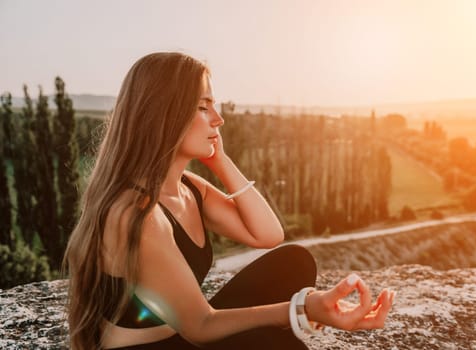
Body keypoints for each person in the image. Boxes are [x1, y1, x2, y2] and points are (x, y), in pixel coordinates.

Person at [63, 52, 395, 350]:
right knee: (277, 343)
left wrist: (220, 160)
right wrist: (302, 308)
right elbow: (200, 327)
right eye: (203, 107)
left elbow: (267, 235)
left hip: (183, 335)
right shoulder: (135, 213)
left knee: (294, 262)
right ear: (165, 115)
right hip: (152, 346)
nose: (218, 119)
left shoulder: (188, 188)